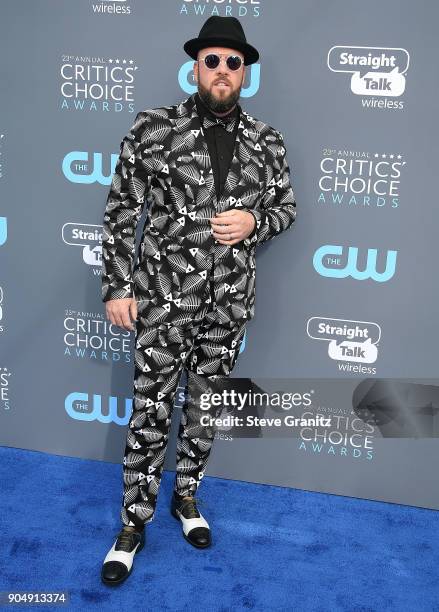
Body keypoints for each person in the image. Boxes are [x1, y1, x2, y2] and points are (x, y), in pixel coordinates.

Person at [100, 15, 297, 586]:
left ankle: (185, 499)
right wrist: (118, 285)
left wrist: (256, 220)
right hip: (162, 300)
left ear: (245, 74)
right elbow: (120, 214)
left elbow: (287, 209)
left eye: (233, 63)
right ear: (195, 67)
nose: (222, 71)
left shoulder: (268, 142)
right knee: (150, 411)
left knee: (205, 409)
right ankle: (132, 525)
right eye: (213, 60)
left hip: (228, 305)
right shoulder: (153, 128)